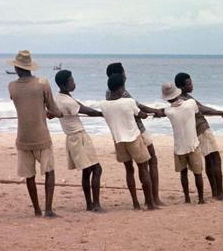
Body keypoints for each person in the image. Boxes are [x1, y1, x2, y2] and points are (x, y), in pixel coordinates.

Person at [8, 50, 60, 218]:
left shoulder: (11, 86)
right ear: (30, 67)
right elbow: (52, 107)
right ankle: (48, 210)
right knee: (49, 172)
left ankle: (37, 210)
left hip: (23, 137)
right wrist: (57, 113)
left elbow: (24, 103)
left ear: (16, 68)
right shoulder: (42, 83)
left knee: (29, 175)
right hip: (41, 137)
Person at [106, 62, 163, 206]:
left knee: (129, 168)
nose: (126, 74)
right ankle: (153, 199)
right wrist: (156, 111)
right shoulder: (123, 93)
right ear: (119, 75)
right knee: (150, 161)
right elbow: (139, 108)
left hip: (119, 136)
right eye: (124, 72)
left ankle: (136, 202)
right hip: (137, 131)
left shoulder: (109, 94)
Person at [173, 72, 223, 201]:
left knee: (209, 160)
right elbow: (203, 110)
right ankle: (219, 193)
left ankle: (215, 192)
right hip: (202, 129)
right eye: (189, 83)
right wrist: (221, 112)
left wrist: (219, 112)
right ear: (181, 87)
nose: (192, 85)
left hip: (194, 132)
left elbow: (202, 107)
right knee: (215, 160)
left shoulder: (180, 99)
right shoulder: (186, 100)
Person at [54, 69, 104, 211]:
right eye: (71, 80)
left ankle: (90, 204)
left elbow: (80, 104)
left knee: (87, 171)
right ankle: (96, 204)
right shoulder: (67, 101)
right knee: (97, 169)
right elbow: (86, 111)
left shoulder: (60, 97)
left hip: (73, 138)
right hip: (78, 136)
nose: (74, 82)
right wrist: (102, 113)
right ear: (64, 84)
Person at [159, 82, 206, 204]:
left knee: (183, 174)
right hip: (193, 144)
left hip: (179, 147)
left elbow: (161, 112)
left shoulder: (168, 111)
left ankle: (187, 198)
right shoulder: (190, 104)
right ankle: (201, 199)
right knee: (198, 174)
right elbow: (196, 112)